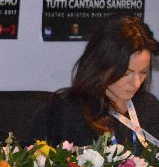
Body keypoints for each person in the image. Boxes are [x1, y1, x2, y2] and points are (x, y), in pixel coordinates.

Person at [30, 15, 159, 151]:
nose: (136, 83)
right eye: (126, 73)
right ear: (101, 64)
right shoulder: (62, 113)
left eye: (143, 72)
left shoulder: (149, 107)